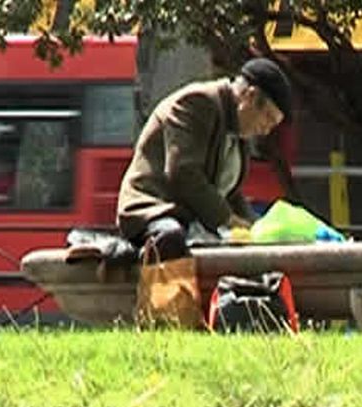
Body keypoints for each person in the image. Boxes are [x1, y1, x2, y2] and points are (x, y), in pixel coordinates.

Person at [117, 57, 292, 260]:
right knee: (172, 237)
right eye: (268, 119)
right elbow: (184, 173)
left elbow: (230, 194)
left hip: (192, 218)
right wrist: (229, 220)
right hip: (153, 210)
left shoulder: (239, 128)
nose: (266, 130)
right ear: (250, 97)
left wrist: (256, 227)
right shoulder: (198, 103)